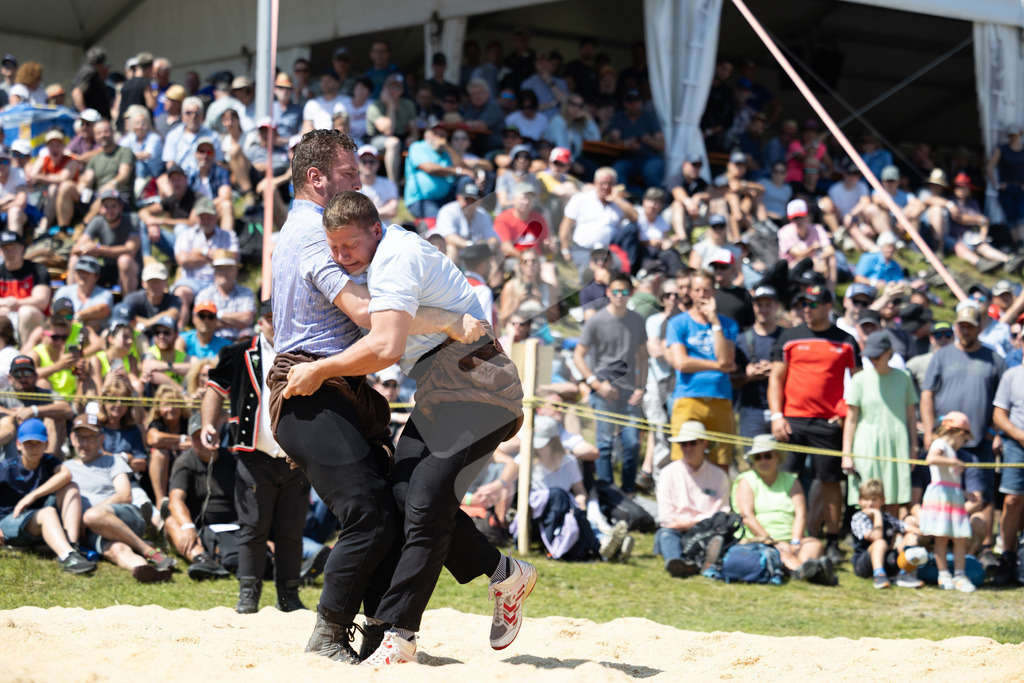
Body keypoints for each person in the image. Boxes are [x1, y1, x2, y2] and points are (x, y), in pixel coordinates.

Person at [281, 191, 531, 665]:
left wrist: (319, 370)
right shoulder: (384, 256)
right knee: (402, 499)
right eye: (333, 249)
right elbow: (402, 322)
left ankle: (400, 636)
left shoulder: (394, 255)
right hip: (443, 388)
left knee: (425, 502)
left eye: (349, 245)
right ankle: (505, 574)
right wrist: (449, 320)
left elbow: (387, 346)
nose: (341, 258)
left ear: (375, 229)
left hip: (478, 388)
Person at [265, 129, 480, 664]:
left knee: (394, 506)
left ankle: (378, 635)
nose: (361, 185)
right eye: (349, 176)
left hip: (335, 388)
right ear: (316, 178)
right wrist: (453, 320)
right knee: (372, 513)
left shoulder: (308, 230)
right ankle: (329, 633)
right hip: (310, 385)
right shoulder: (317, 233)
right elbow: (373, 318)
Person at [204, 299, 310, 613]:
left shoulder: (307, 352)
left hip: (296, 456)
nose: (274, 324)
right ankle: (248, 594)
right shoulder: (238, 353)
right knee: (253, 527)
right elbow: (214, 388)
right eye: (268, 318)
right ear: (260, 323)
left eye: (279, 317)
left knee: (291, 529)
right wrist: (208, 424)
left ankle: (289, 595)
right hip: (253, 454)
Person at [769, 284, 859, 565]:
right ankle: (782, 535)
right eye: (803, 304)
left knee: (831, 483)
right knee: (787, 480)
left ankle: (831, 540)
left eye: (813, 304)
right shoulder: (789, 337)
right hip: (792, 420)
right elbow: (776, 378)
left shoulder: (846, 340)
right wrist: (776, 415)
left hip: (827, 422)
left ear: (828, 306)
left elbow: (858, 383)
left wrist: (844, 410)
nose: (806, 309)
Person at [920, 304, 1005, 564]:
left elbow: (1004, 400)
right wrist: (928, 430)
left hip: (979, 442)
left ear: (980, 327)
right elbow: (927, 393)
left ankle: (983, 549)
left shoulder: (994, 359)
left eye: (970, 325)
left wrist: (996, 432)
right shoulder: (942, 356)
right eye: (961, 325)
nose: (964, 330)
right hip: (944, 443)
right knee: (939, 494)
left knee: (981, 498)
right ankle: (934, 550)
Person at [64, 412, 176, 583]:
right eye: (80, 438)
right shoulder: (66, 468)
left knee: (92, 516)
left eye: (91, 438)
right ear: (72, 439)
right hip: (91, 530)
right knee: (116, 549)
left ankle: (148, 550)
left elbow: (125, 495)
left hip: (123, 515)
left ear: (101, 439)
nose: (84, 443)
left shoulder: (113, 460)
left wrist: (92, 514)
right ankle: (146, 570)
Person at [573, 272, 648, 494]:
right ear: (608, 292)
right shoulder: (596, 320)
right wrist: (595, 383)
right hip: (603, 390)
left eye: (624, 292)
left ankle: (627, 492)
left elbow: (643, 357)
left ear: (631, 293)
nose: (619, 296)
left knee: (632, 444)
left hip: (629, 392)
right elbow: (579, 355)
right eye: (615, 291)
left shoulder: (637, 321)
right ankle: (606, 491)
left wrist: (641, 387)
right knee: (604, 445)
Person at [732, 434, 835, 584]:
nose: (763, 460)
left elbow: (801, 513)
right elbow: (747, 516)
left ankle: (806, 568)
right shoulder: (746, 480)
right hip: (760, 539)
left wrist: (795, 541)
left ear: (778, 457)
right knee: (779, 552)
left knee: (814, 545)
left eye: (767, 455)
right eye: (758, 457)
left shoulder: (791, 480)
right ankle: (809, 572)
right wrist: (772, 541)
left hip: (793, 539)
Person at [0, 418, 95, 574]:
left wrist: (32, 496)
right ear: (18, 445)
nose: (34, 449)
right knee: (48, 513)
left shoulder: (48, 460)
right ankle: (67, 558)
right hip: (10, 521)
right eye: (29, 444)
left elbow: (66, 475)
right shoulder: (6, 468)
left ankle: (72, 545)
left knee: (71, 487)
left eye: (38, 443)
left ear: (46, 444)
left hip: (39, 517)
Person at [666, 271, 737, 468]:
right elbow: (681, 363)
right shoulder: (678, 323)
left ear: (714, 291)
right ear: (690, 292)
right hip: (688, 397)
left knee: (721, 460)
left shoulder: (728, 324)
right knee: (682, 460)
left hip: (720, 398)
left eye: (706, 290)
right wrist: (718, 367)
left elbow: (726, 358)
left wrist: (715, 322)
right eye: (697, 290)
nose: (702, 294)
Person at [842, 331, 918, 515]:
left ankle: (889, 541)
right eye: (870, 356)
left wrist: (914, 447)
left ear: (889, 353)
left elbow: (911, 416)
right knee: (868, 495)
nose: (873, 360)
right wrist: (847, 454)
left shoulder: (904, 377)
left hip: (896, 442)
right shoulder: (860, 379)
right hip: (867, 442)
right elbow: (851, 419)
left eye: (877, 355)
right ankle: (868, 540)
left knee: (894, 496)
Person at [654, 421, 731, 576]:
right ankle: (678, 563)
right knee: (666, 534)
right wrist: (700, 522)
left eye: (692, 443)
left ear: (704, 444)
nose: (687, 448)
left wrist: (691, 523)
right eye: (683, 444)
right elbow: (666, 518)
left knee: (717, 537)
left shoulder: (719, 475)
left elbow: (722, 514)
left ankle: (693, 561)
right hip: (678, 531)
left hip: (706, 531)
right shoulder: (667, 473)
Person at [165, 412, 235, 580]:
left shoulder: (232, 459)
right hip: (200, 528)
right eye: (196, 437)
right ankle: (203, 561)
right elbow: (175, 501)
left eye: (206, 435)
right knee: (171, 522)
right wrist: (188, 527)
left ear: (217, 434)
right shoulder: (184, 462)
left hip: (233, 526)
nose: (202, 441)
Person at [919, 412, 976, 593]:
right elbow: (931, 459)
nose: (964, 444)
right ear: (960, 433)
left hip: (954, 496)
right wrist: (953, 462)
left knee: (960, 536)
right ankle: (943, 574)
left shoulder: (952, 452)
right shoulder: (941, 445)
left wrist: (966, 493)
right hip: (941, 496)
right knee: (941, 537)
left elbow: (952, 478)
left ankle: (959, 575)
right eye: (965, 440)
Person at [850, 478, 925, 589]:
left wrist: (916, 533)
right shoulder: (858, 518)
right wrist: (876, 514)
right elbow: (877, 536)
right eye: (866, 499)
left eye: (874, 499)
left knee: (911, 537)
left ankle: (903, 574)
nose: (870, 503)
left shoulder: (888, 519)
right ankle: (879, 575)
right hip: (863, 564)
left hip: (887, 560)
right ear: (859, 501)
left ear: (882, 500)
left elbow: (910, 529)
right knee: (880, 543)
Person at [733, 285, 783, 439]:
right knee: (753, 460)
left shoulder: (786, 338)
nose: (764, 309)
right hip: (751, 411)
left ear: (776, 306)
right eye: (759, 305)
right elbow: (732, 380)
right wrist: (748, 375)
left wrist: (777, 371)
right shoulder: (741, 339)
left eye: (768, 305)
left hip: (782, 411)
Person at [69, 189, 141, 293]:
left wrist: (99, 249)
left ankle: (128, 304)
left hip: (132, 271)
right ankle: (73, 299)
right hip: (108, 269)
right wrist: (86, 248)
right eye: (106, 206)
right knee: (75, 258)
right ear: (100, 209)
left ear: (121, 208)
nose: (109, 210)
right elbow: (76, 248)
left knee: (124, 260)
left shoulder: (132, 219)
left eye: (113, 206)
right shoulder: (97, 221)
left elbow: (131, 250)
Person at [992, 361, 1024, 585]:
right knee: (1012, 501)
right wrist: (1019, 435)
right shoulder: (1011, 375)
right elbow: (999, 415)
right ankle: (1007, 557)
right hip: (1016, 445)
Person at [403, 119, 466, 219]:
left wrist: (449, 148)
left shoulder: (446, 153)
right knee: (439, 225)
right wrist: (457, 171)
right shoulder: (417, 147)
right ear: (426, 135)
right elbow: (429, 168)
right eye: (435, 134)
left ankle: (468, 209)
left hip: (446, 198)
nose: (439, 138)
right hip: (421, 200)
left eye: (442, 135)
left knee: (466, 179)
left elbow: (464, 168)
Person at [145, 384, 190, 514]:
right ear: (158, 409)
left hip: (184, 472)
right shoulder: (157, 424)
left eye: (174, 404)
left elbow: (194, 442)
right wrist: (180, 440)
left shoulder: (188, 422)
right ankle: (161, 504)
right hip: (162, 472)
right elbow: (154, 439)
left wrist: (168, 442)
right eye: (166, 405)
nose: (170, 409)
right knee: (159, 453)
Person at [0, 230, 51, 345]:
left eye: (13, 248)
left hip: (37, 321)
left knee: (26, 311)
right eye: (5, 249)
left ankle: (25, 356)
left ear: (22, 248)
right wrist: (4, 303)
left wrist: (14, 304)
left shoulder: (37, 270)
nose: (9, 253)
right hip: (6, 318)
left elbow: (42, 301)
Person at [194, 251, 255, 342]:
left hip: (239, 342)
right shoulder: (204, 294)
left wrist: (217, 315)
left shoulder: (247, 293)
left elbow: (246, 320)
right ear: (214, 271)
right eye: (220, 269)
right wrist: (236, 322)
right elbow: (200, 322)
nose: (224, 273)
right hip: (213, 342)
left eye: (228, 268)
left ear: (236, 270)